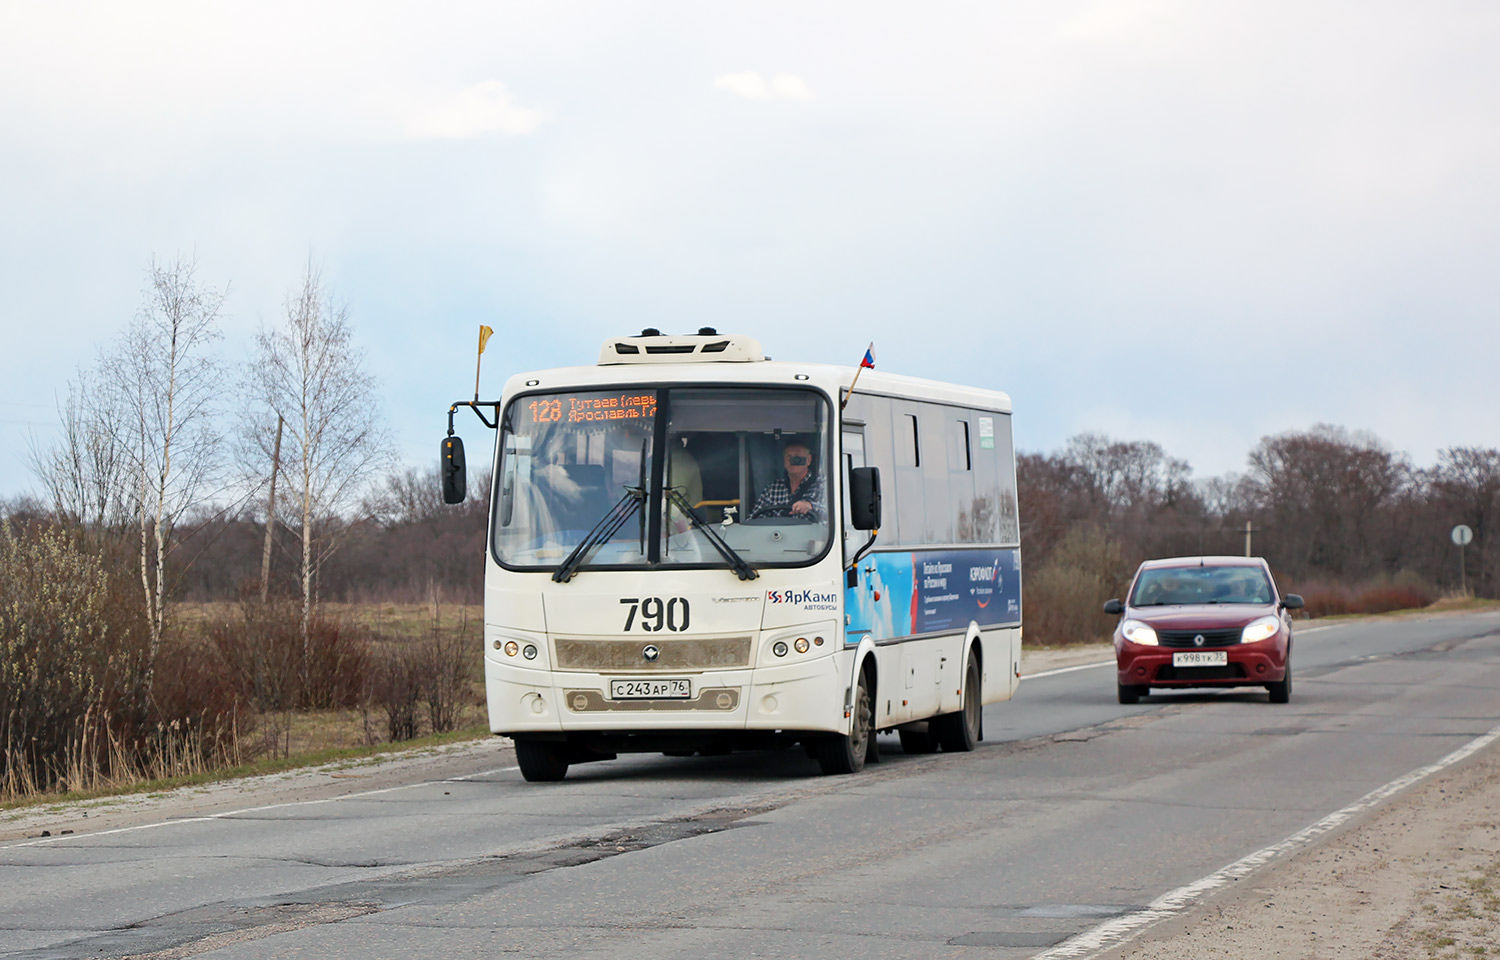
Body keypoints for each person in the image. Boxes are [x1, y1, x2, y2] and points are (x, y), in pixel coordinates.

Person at [749, 440, 826, 521]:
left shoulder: (822, 485)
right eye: (788, 456)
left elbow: (833, 515)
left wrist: (810, 506)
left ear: (808, 460)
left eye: (797, 456)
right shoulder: (773, 488)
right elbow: (754, 518)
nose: (792, 460)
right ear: (784, 462)